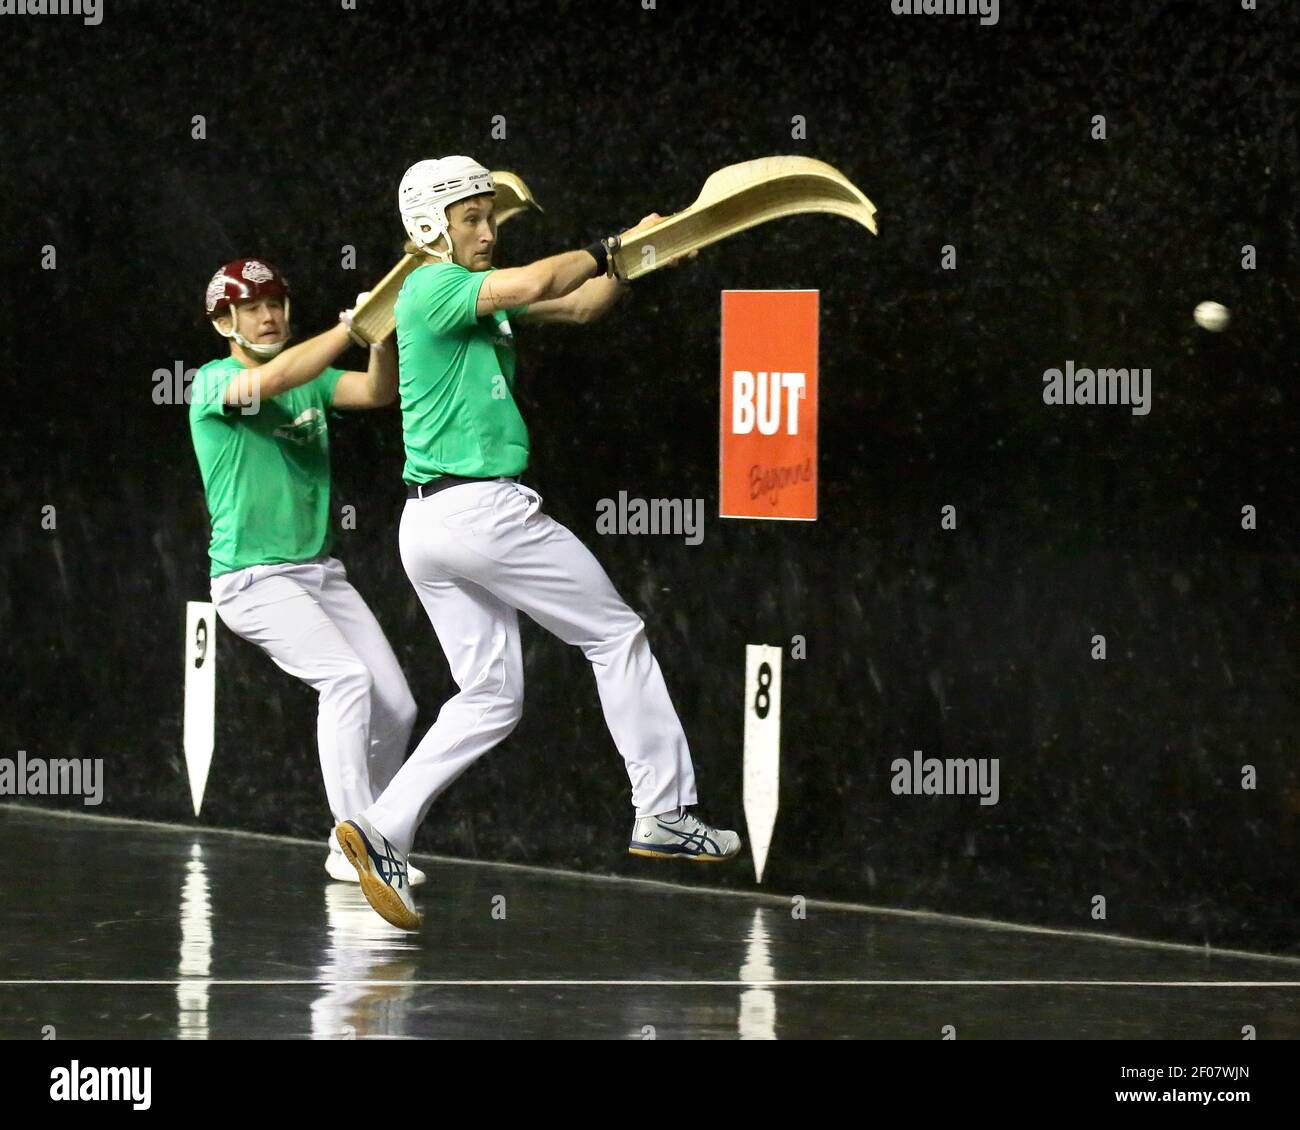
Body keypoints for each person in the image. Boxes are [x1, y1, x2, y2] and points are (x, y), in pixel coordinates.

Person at [334, 158, 740, 932]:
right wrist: (614, 243)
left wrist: (639, 262)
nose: (488, 231)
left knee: (490, 696)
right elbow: (529, 283)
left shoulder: (466, 303)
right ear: (431, 227)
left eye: (491, 217)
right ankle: (663, 811)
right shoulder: (430, 286)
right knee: (616, 634)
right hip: (483, 513)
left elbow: (579, 304)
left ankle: (381, 828)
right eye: (472, 219)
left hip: (429, 527)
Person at [189, 257, 425, 886]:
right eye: (251, 308)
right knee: (346, 681)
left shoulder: (312, 381)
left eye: (275, 304)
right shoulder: (211, 384)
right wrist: (349, 331)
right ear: (224, 323)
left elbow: (379, 393)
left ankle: (368, 838)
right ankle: (359, 847)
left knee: (396, 707)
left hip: (320, 574)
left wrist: (382, 339)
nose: (267, 317)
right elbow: (266, 384)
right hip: (250, 580)